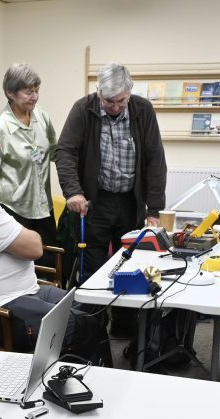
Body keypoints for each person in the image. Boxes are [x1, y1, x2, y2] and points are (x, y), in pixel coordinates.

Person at [0, 105, 111, 366]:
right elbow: (33, 247)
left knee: (92, 307)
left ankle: (96, 389)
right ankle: (78, 392)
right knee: (81, 326)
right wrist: (20, 236)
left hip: (18, 292)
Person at [55, 63, 167, 339]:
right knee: (93, 267)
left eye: (120, 101)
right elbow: (65, 152)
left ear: (129, 92)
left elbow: (155, 159)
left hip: (131, 201)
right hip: (96, 201)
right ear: (98, 92)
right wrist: (73, 192)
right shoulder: (83, 109)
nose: (115, 107)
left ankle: (125, 324)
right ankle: (92, 330)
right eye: (108, 101)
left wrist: (154, 210)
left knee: (131, 263)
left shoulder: (142, 110)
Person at [0, 63, 59, 266]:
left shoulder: (41, 116)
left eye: (37, 91)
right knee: (19, 267)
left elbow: (54, 151)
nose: (34, 97)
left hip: (44, 207)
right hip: (14, 210)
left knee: (50, 264)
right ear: (10, 93)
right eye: (28, 92)